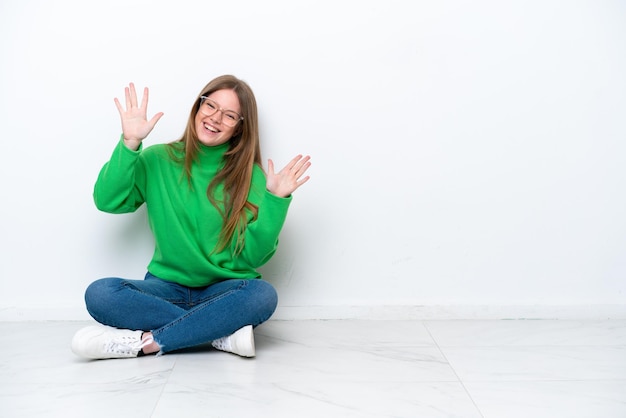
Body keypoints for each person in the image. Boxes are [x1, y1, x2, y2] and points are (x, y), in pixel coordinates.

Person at [71, 75, 311, 359]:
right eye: (210, 106)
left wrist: (276, 202)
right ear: (198, 107)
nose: (216, 118)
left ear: (239, 128)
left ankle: (147, 343)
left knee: (262, 296)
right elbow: (108, 201)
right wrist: (130, 143)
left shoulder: (252, 177)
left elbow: (254, 258)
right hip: (165, 287)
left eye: (230, 115)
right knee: (101, 294)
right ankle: (218, 333)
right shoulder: (157, 160)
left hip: (224, 290)